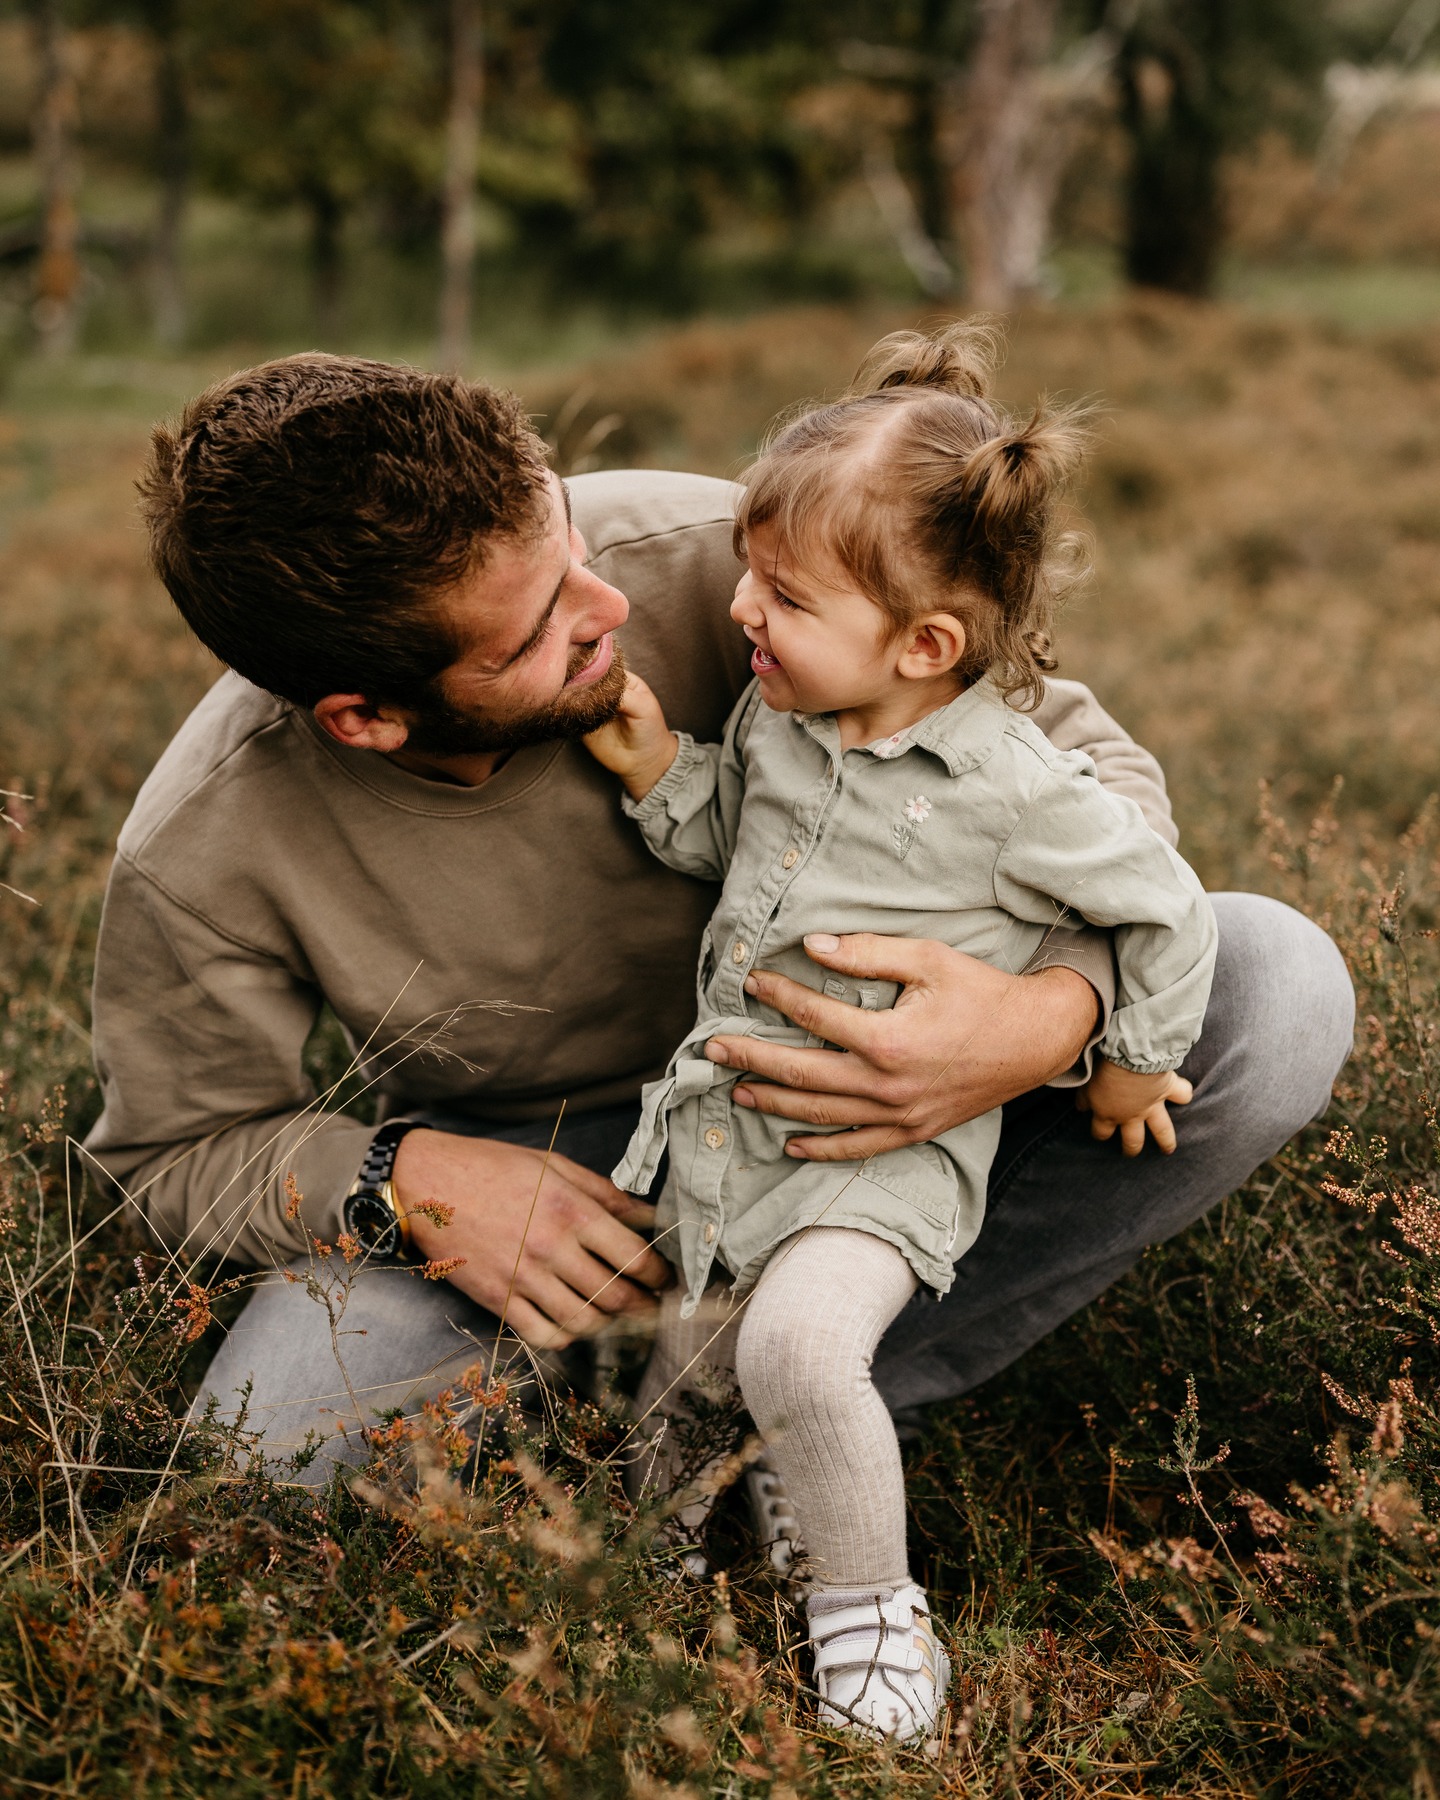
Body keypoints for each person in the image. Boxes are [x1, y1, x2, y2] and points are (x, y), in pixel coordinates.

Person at [84, 352, 1352, 1525]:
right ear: (364, 718)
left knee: (1276, 989)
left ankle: (809, 1399)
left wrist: (1040, 1022)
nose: (611, 604)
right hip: (555, 1181)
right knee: (264, 1467)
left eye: (571, 538)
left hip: (866, 1110)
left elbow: (1085, 765)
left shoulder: (721, 556)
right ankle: (665, 1420)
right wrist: (406, 1182)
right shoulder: (205, 844)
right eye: (537, 631)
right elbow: (174, 1152)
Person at [583, 322, 1218, 1740]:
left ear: (928, 644)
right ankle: (660, 1582)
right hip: (736, 1140)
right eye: (751, 572)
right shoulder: (780, 719)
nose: (744, 608)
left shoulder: (1011, 781)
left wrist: (1128, 1062)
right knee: (679, 1372)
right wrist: (655, 772)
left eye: (784, 595)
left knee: (800, 1352)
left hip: (883, 1156)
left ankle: (869, 1626)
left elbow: (1172, 910)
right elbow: (737, 852)